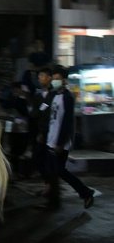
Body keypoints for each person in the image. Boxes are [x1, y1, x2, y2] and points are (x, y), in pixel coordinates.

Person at [40, 66, 95, 210]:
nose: (55, 81)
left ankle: (85, 193)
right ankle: (53, 200)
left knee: (59, 171)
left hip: (60, 142)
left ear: (64, 80)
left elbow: (67, 122)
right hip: (49, 140)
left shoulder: (68, 97)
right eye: (54, 78)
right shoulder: (52, 95)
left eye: (58, 79)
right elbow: (43, 111)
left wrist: (60, 143)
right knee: (52, 171)